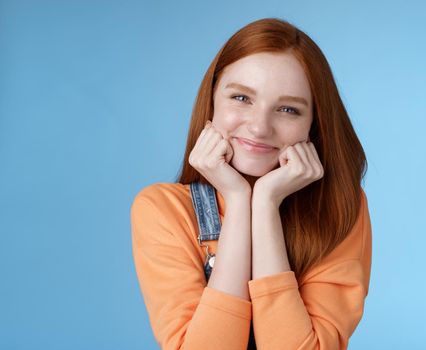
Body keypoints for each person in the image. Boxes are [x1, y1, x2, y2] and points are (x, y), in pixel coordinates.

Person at [130, 17, 372, 350]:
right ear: (212, 99)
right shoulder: (164, 209)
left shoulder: (340, 207)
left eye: (288, 109)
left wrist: (266, 203)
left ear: (313, 125)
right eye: (242, 98)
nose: (259, 127)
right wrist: (239, 199)